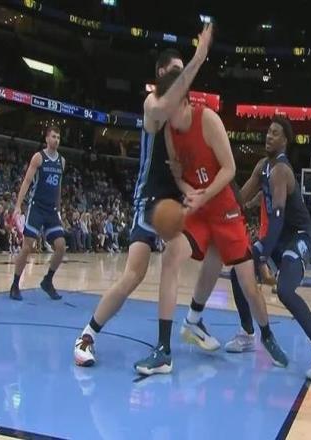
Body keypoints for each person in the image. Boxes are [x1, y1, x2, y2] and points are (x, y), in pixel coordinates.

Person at [74, 24, 214, 367]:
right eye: (175, 71)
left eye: (183, 71)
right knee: (135, 273)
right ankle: (88, 335)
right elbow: (163, 107)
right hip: (151, 199)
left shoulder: (186, 112)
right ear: (161, 74)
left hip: (177, 198)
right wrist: (198, 58)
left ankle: (188, 324)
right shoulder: (153, 104)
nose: (181, 77)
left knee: (204, 251)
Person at [133, 69, 288, 375]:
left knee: (248, 284)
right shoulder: (168, 131)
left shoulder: (208, 120)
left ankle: (267, 335)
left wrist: (204, 194)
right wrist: (188, 191)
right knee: (171, 255)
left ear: (184, 101)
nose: (164, 111)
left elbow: (229, 169)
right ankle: (164, 350)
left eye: (168, 104)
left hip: (225, 208)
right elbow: (178, 175)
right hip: (199, 210)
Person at [228, 116, 311, 380]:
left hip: (299, 236)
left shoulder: (281, 170)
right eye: (268, 131)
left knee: (285, 291)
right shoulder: (262, 166)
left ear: (285, 141)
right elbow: (239, 200)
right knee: (237, 272)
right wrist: (223, 174)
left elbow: (277, 220)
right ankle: (247, 333)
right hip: (279, 237)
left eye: (275, 133)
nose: (269, 136)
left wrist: (263, 258)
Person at [9, 126, 66, 301]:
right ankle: (15, 285)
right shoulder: (39, 157)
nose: (56, 140)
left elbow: (58, 187)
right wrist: (18, 206)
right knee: (27, 246)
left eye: (58, 137)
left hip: (51, 210)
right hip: (37, 207)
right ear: (47, 139)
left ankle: (47, 281)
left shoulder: (62, 161)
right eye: (53, 136)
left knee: (61, 246)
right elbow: (27, 181)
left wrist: (59, 209)